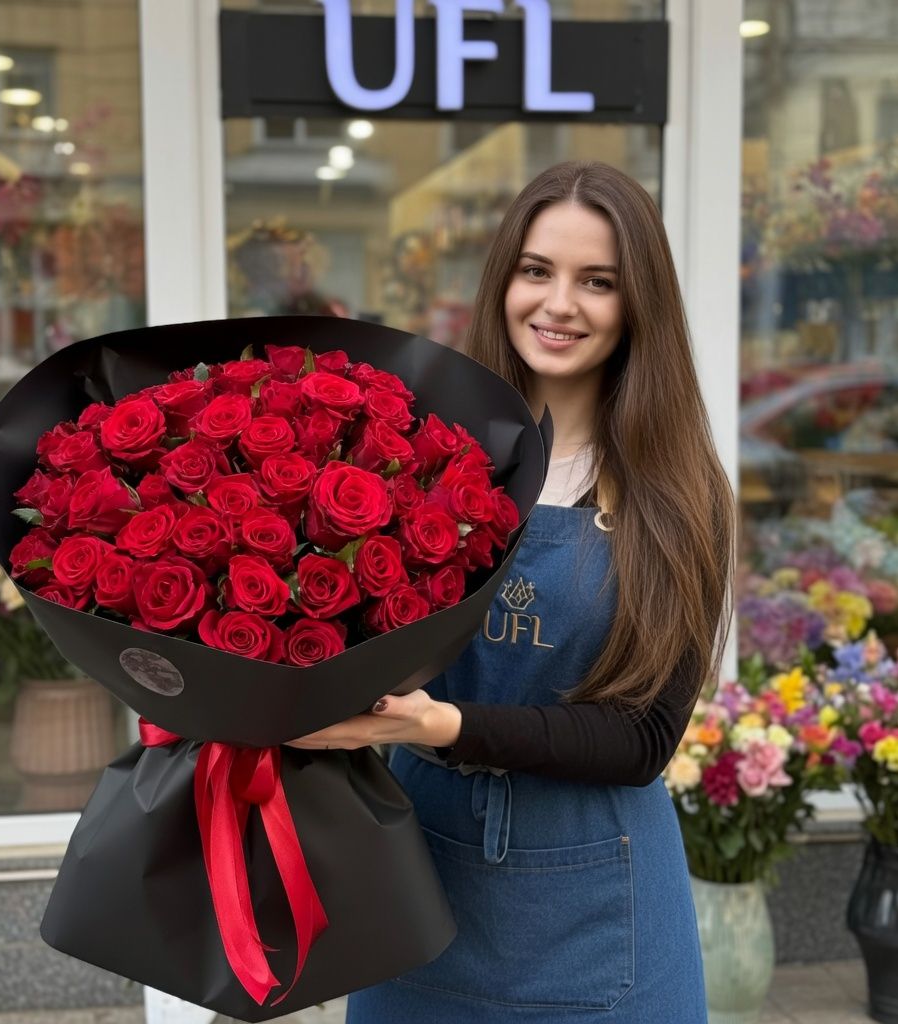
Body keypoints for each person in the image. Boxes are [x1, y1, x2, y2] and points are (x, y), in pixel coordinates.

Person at [288, 161, 736, 1022]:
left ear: (638, 303)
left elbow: (643, 739)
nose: (558, 304)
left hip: (598, 912)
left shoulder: (676, 491)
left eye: (596, 282)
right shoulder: (420, 456)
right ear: (504, 280)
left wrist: (443, 726)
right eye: (537, 271)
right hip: (418, 886)